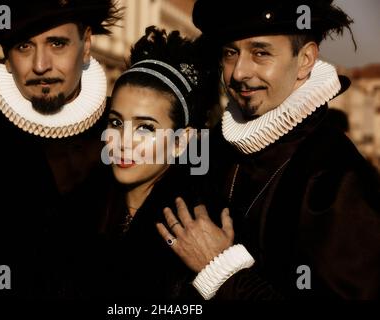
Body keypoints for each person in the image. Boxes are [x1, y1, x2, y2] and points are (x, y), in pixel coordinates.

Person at [157, 0, 380, 299]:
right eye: (230, 53)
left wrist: (221, 271)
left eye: (261, 53)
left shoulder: (337, 177)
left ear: (305, 60)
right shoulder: (212, 146)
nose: (239, 73)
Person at [0, 0, 121, 297]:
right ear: (6, 58)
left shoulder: (129, 142)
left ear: (86, 46)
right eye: (23, 47)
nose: (40, 66)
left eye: (57, 44)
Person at [88, 26, 210, 300]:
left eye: (145, 128)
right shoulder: (77, 212)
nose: (123, 141)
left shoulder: (200, 228)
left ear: (181, 141)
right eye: (116, 122)